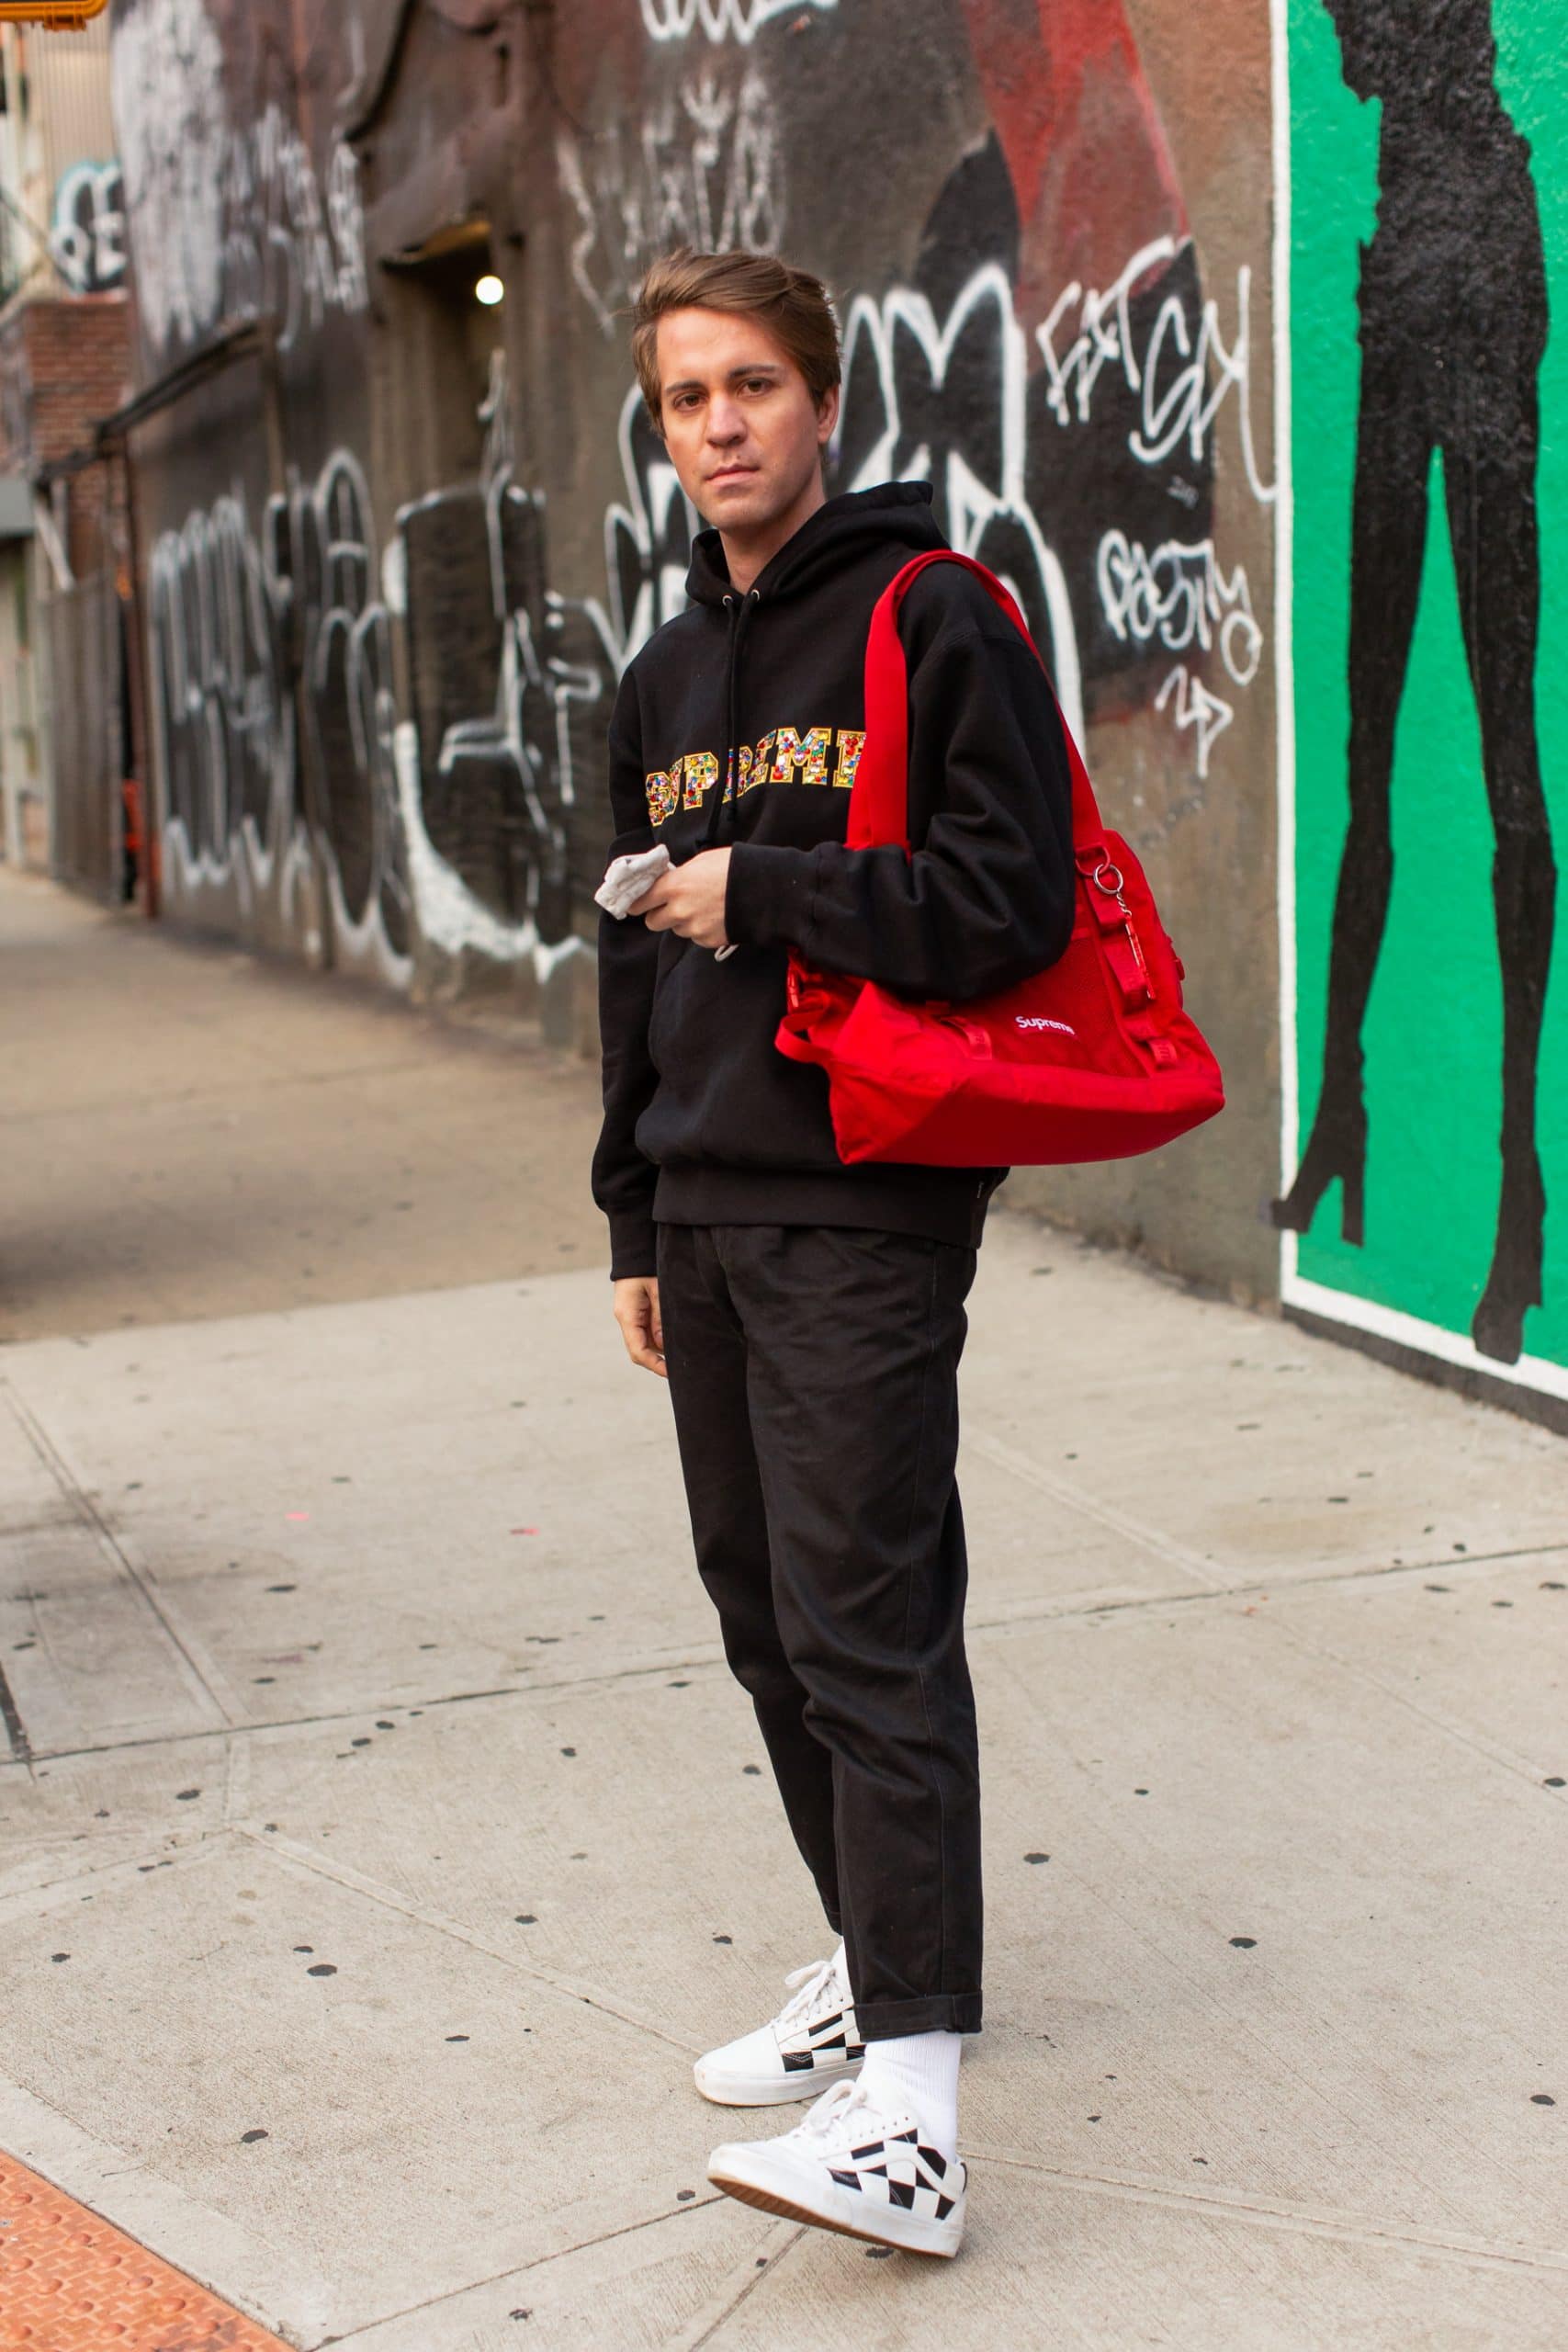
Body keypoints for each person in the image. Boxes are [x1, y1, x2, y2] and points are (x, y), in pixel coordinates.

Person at [590, 245, 1075, 2257]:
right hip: (703, 1200)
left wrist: (767, 888)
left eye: (751, 388)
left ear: (823, 401)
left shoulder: (930, 609)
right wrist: (630, 1207)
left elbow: (1013, 899)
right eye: (685, 397)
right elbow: (627, 956)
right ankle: (873, 1969)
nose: (718, 426)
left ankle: (917, 2115)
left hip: (867, 1193)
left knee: (868, 1622)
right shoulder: (654, 675)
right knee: (765, 1619)